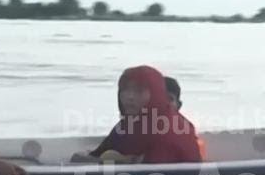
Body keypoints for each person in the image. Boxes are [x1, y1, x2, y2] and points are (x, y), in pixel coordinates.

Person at [71, 65, 202, 164]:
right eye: (125, 90)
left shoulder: (171, 130)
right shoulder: (129, 124)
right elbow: (90, 157)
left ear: (156, 94)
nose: (129, 97)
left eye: (139, 91)